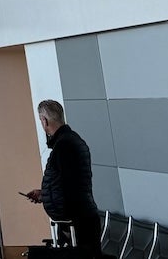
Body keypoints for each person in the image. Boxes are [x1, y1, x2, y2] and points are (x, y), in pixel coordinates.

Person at [24, 100, 100, 258]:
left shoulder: (64, 145)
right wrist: (44, 194)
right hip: (83, 215)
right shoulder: (72, 140)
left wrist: (46, 196)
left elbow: (68, 186)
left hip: (75, 221)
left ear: (44, 121)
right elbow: (68, 182)